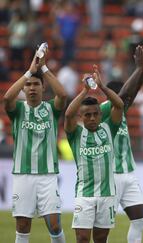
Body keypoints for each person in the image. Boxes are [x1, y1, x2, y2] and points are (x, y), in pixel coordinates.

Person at [4, 49, 67, 243]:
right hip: (23, 174)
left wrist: (44, 67)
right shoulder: (18, 109)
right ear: (23, 88)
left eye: (36, 84)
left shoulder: (50, 109)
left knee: (55, 225)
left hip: (47, 176)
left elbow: (63, 95)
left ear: (43, 87)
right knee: (23, 226)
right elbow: (7, 98)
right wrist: (29, 72)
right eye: (28, 85)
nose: (31, 88)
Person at [64, 65, 124, 243]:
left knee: (101, 239)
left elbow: (119, 105)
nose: (92, 118)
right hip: (85, 194)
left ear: (100, 115)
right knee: (82, 238)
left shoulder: (108, 128)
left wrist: (103, 87)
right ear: (81, 117)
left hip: (107, 194)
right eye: (87, 115)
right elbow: (68, 115)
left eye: (95, 114)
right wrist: (84, 91)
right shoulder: (75, 134)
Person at [100, 45, 143, 243]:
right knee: (103, 230)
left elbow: (134, 89)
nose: (129, 99)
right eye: (124, 95)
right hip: (110, 177)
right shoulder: (104, 109)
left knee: (139, 221)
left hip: (129, 174)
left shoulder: (121, 111)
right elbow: (124, 96)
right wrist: (138, 68)